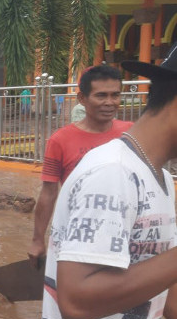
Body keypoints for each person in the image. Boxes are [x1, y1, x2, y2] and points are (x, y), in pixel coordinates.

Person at [16, 43, 177, 319]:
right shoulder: (112, 173)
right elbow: (76, 301)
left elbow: (162, 285)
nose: (108, 102)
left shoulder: (158, 176)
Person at [28, 65, 132, 268]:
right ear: (82, 99)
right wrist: (38, 240)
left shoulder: (131, 133)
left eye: (115, 95)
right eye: (101, 96)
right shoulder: (59, 140)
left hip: (122, 229)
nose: (109, 103)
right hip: (78, 231)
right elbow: (49, 193)